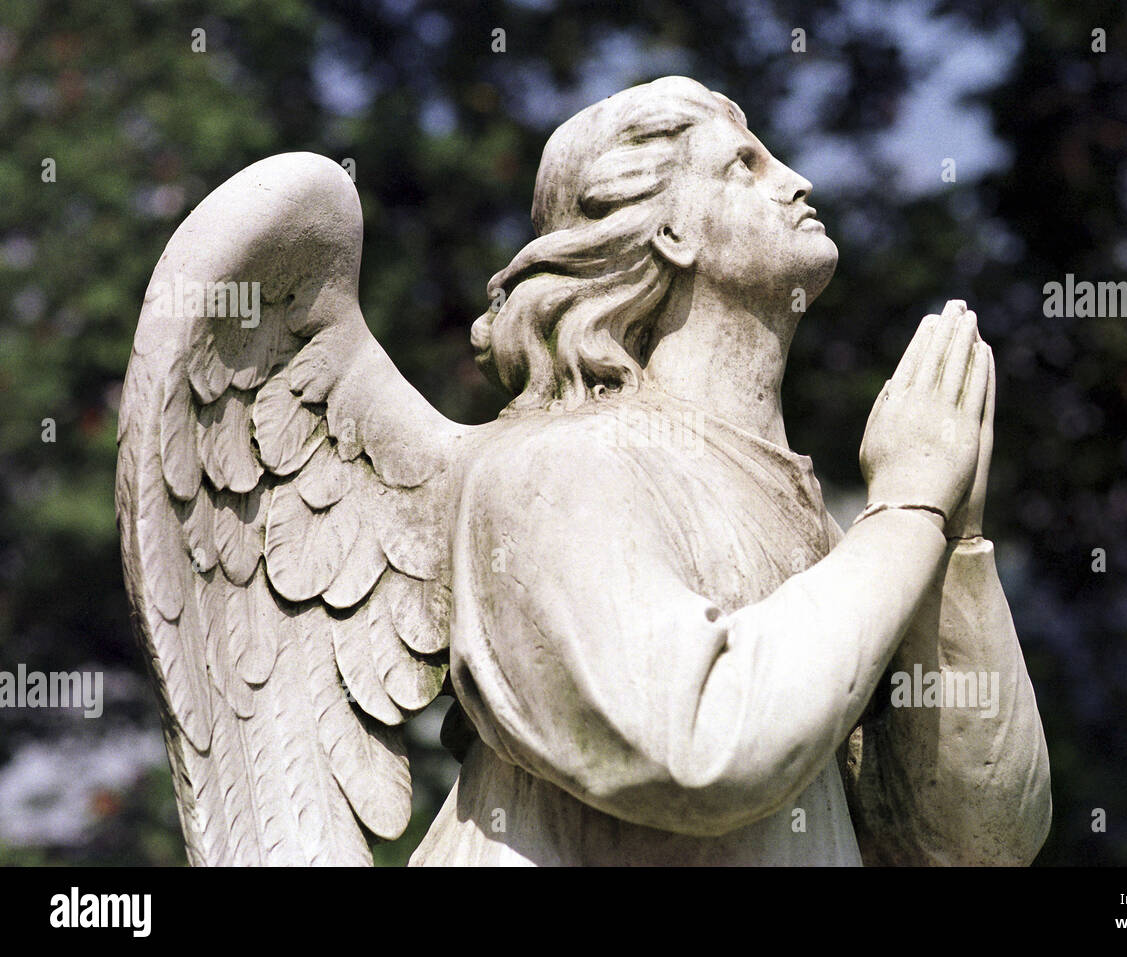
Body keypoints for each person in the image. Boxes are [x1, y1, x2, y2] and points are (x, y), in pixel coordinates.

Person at [411, 76, 1051, 866]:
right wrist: (910, 505)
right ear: (673, 231)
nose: (797, 179)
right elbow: (698, 750)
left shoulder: (831, 536)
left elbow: (976, 842)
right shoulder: (557, 468)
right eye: (745, 164)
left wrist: (951, 534)